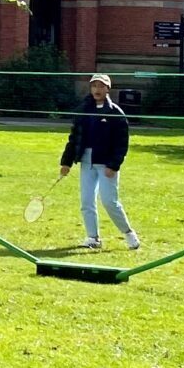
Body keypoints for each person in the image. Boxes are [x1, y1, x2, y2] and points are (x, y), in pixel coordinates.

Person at [61, 73, 139, 251]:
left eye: (101, 86)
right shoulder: (83, 110)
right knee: (87, 201)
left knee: (109, 201)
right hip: (86, 162)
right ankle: (93, 238)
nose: (97, 89)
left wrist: (114, 165)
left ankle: (128, 233)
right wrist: (66, 162)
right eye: (94, 85)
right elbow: (74, 137)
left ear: (108, 89)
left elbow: (122, 143)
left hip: (106, 163)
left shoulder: (115, 112)